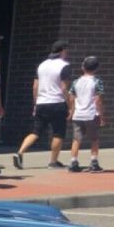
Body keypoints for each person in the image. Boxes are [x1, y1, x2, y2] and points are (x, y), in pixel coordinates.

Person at [14, 40, 72, 170]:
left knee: (36, 132)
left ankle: (20, 152)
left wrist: (35, 104)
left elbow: (35, 87)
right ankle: (53, 162)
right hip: (57, 103)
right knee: (58, 133)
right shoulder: (64, 65)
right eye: (66, 50)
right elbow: (64, 88)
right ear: (62, 51)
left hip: (41, 103)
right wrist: (70, 105)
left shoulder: (41, 65)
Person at [67, 56, 105, 173]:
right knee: (94, 139)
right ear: (97, 68)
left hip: (78, 114)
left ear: (83, 67)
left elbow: (71, 98)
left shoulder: (76, 82)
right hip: (91, 114)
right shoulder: (97, 81)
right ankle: (94, 162)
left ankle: (73, 162)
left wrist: (71, 111)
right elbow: (98, 100)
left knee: (76, 139)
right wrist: (102, 116)